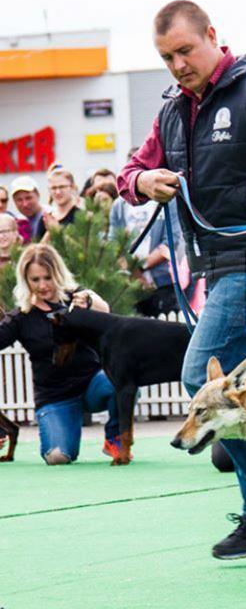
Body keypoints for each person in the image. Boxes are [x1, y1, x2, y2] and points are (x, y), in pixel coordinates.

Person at [117, 0, 246, 560]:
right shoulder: (171, 112)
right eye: (167, 57)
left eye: (185, 50)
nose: (178, 64)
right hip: (219, 268)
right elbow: (129, 172)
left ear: (213, 35)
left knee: (200, 377)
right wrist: (144, 181)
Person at [0, 244, 119, 464]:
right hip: (55, 397)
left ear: (57, 274)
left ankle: (114, 438)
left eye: (48, 277)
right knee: (57, 457)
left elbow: (106, 311)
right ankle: (65, 426)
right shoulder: (21, 316)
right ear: (26, 280)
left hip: (91, 384)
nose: (43, 285)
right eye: (35, 280)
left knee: (119, 382)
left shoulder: (76, 299)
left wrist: (90, 301)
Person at [109, 192, 183, 318]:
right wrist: (133, 273)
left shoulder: (168, 200)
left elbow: (170, 241)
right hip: (129, 286)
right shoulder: (119, 204)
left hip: (161, 283)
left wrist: (139, 268)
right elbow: (113, 244)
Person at [11, 176, 46, 244]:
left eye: (28, 198)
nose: (25, 204)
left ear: (38, 195)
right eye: (19, 200)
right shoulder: (17, 221)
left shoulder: (51, 215)